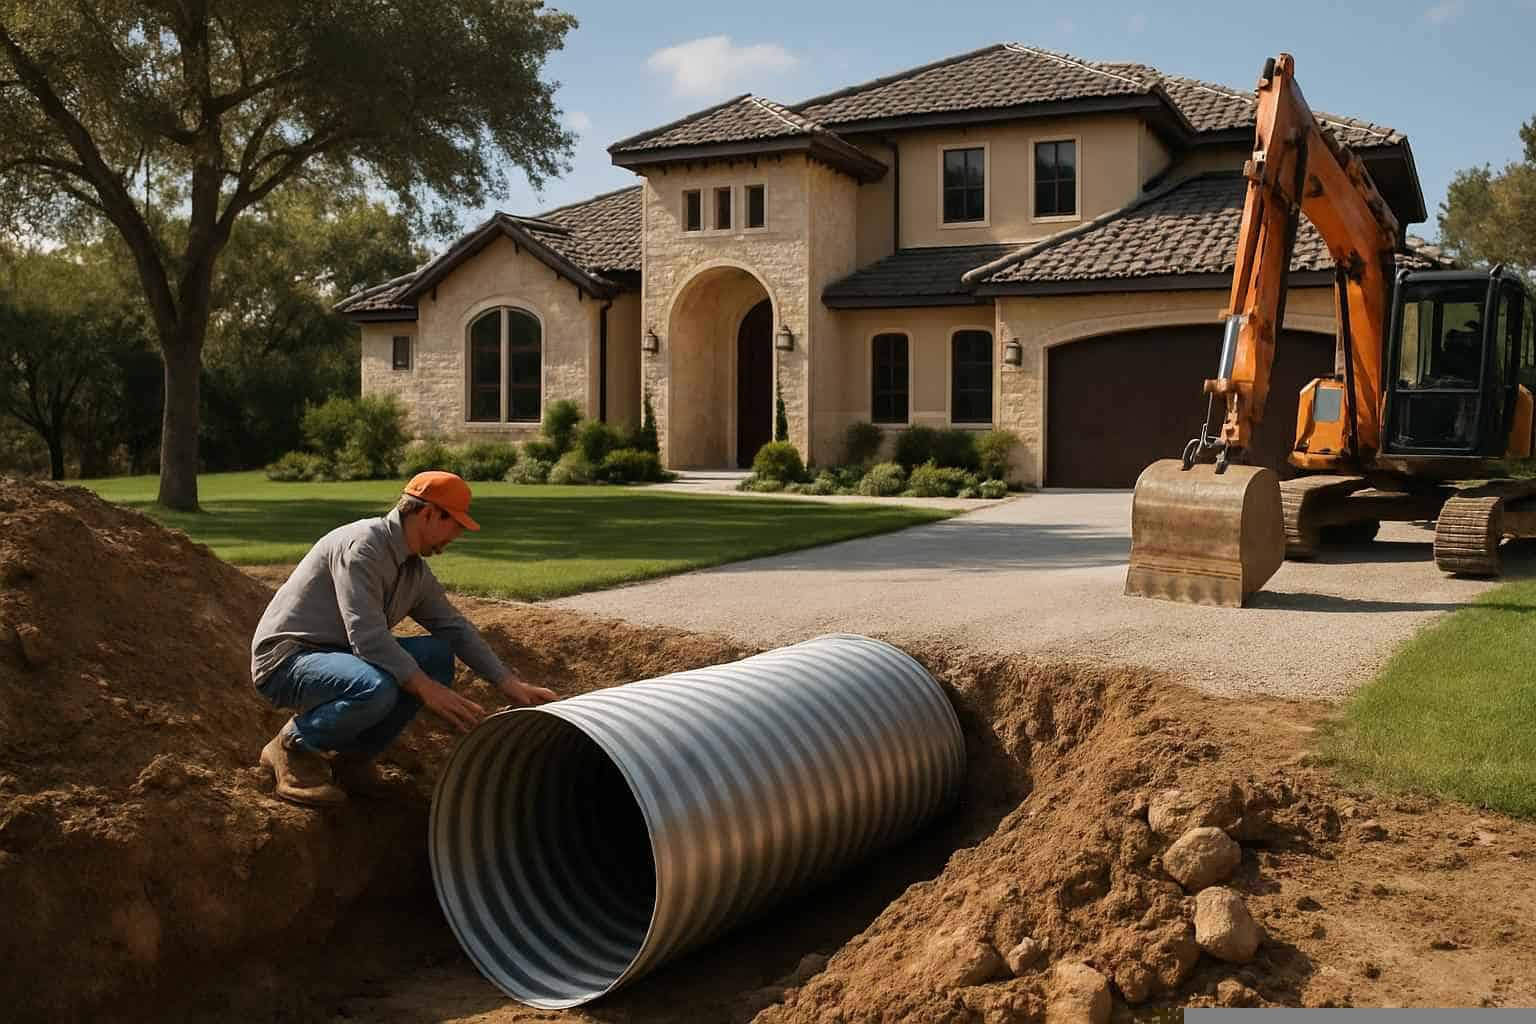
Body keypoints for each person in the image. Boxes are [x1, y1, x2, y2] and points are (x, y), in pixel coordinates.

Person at [250, 470, 556, 805]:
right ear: (427, 513)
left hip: (340, 657)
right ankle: (292, 747)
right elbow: (366, 636)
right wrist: (425, 687)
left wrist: (508, 683)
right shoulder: (363, 547)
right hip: (288, 660)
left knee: (436, 654)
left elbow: (453, 627)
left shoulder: (413, 570)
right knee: (375, 686)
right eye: (455, 523)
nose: (456, 535)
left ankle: (351, 761)